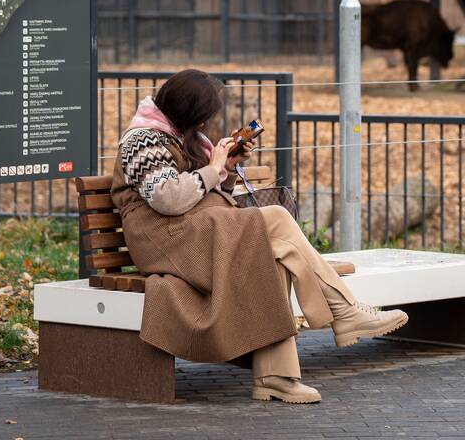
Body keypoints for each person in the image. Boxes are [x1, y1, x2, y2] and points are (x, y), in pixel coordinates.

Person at [111, 68, 408, 404]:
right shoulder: (143, 139)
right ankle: (344, 310)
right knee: (277, 220)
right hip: (164, 240)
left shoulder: (182, 137)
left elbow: (200, 193)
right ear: (188, 111)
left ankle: (275, 378)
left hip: (193, 230)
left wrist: (225, 169)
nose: (208, 123)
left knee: (273, 255)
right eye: (205, 115)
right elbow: (168, 198)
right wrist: (213, 167)